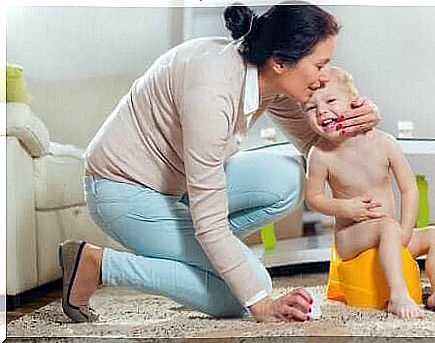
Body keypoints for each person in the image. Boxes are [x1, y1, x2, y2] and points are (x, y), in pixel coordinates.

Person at [58, 2, 381, 323]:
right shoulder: (212, 91)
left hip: (176, 188)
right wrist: (260, 303)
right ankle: (97, 265)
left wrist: (364, 119)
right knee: (243, 293)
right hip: (123, 193)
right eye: (320, 65)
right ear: (282, 62)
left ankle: (203, 260)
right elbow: (209, 220)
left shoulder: (269, 77)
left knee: (289, 179)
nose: (325, 78)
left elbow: (317, 146)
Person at [304, 66, 435, 319]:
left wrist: (406, 229)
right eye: (310, 108)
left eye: (330, 100)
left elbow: (408, 188)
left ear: (356, 104)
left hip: (391, 232)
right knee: (387, 227)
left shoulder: (384, 143)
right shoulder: (320, 154)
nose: (321, 111)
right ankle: (397, 295)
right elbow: (313, 198)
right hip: (352, 239)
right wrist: (346, 208)